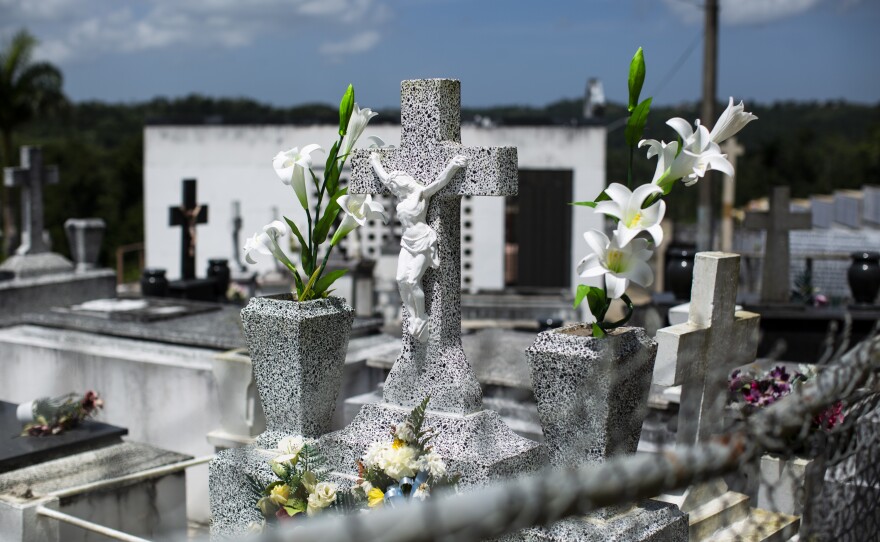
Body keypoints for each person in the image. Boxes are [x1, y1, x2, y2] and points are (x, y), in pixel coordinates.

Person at [370, 152, 469, 342]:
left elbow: (440, 182)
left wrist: (453, 166)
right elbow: (384, 179)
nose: (394, 188)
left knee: (413, 280)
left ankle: (421, 315)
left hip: (423, 240)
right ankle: (412, 316)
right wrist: (375, 161)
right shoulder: (401, 196)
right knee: (401, 279)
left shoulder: (420, 193)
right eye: (394, 186)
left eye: (397, 185)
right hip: (407, 242)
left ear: (404, 182)